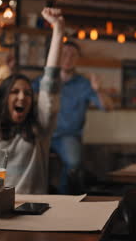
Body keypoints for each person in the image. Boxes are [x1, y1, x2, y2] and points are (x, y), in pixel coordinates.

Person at [0, 1, 64, 194]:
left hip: (32, 214)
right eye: (15, 92)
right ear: (2, 98)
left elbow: (50, 82)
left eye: (28, 93)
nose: (23, 97)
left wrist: (59, 30)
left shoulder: (40, 130)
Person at [32, 41, 114, 194]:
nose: (68, 58)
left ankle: (64, 200)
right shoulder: (45, 80)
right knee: (27, 158)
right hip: (42, 133)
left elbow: (108, 107)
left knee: (74, 163)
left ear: (78, 59)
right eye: (64, 54)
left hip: (69, 136)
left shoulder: (84, 83)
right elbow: (23, 95)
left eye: (72, 55)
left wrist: (99, 90)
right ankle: (39, 196)